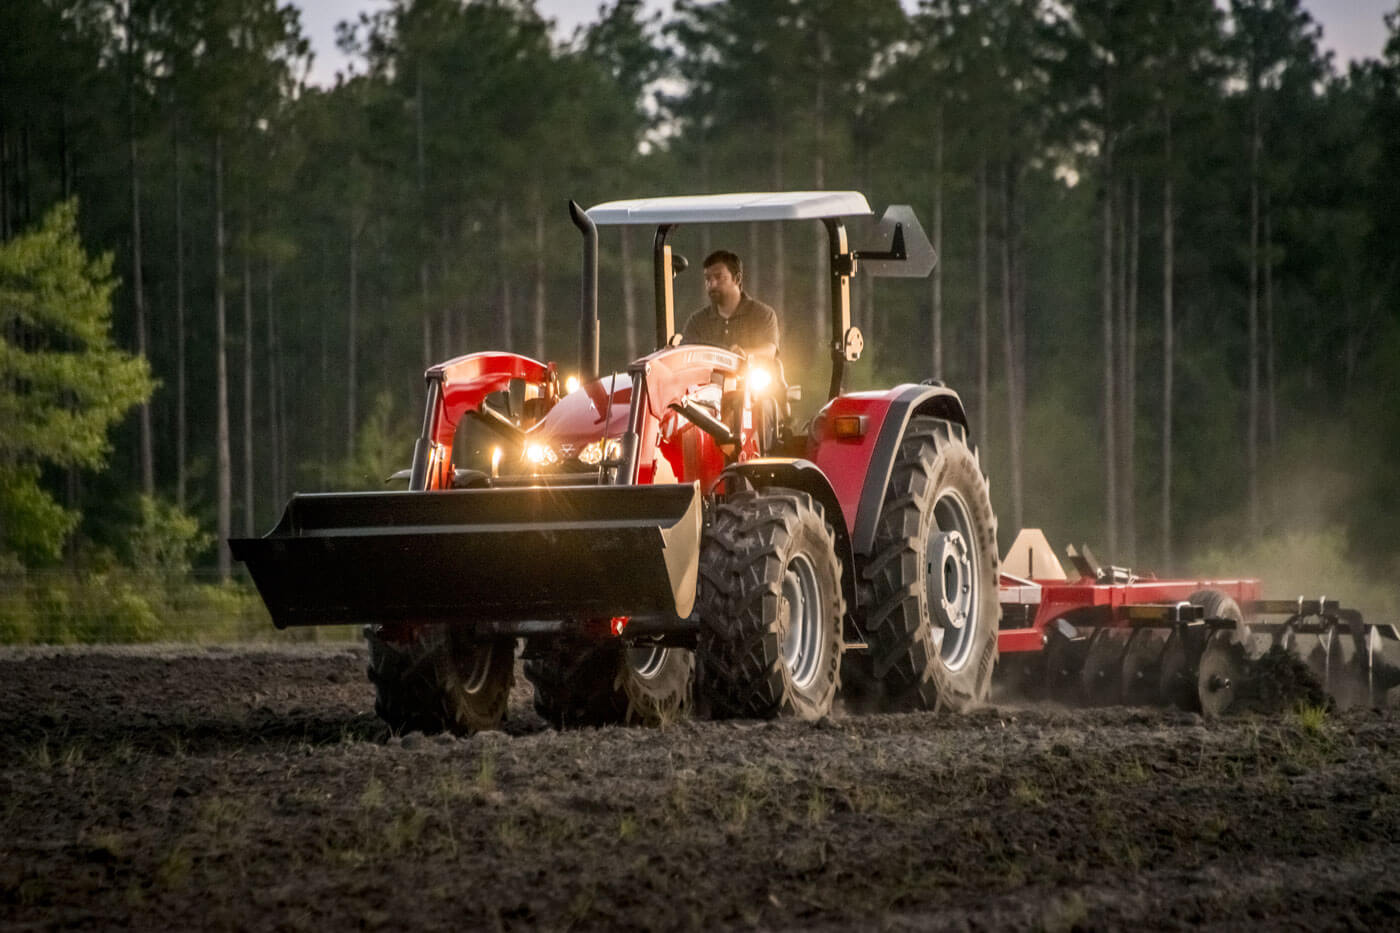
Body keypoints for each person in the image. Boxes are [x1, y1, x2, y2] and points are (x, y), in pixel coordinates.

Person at [680, 250, 779, 359]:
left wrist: (743, 354)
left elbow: (769, 351)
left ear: (737, 279)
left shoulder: (762, 314)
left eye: (718, 277)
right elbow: (686, 354)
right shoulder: (697, 321)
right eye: (708, 279)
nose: (711, 284)